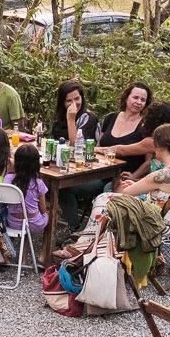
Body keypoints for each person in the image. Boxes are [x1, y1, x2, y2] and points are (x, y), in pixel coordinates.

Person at [52, 80, 106, 228]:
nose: (74, 103)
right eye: (69, 100)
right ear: (62, 102)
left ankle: (74, 231)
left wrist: (71, 119)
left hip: (89, 174)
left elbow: (77, 146)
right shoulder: (59, 120)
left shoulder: (88, 118)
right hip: (64, 169)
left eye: (77, 99)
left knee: (63, 188)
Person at [97, 82, 152, 170]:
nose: (138, 102)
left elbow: (148, 162)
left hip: (124, 179)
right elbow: (99, 147)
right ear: (126, 97)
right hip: (100, 171)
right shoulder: (110, 117)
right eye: (135, 97)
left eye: (143, 100)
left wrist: (133, 177)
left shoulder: (146, 125)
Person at [4, 144, 48, 237]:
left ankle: (20, 247)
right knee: (51, 214)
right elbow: (43, 209)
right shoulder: (38, 182)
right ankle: (44, 249)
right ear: (36, 164)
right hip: (35, 224)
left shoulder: (8, 179)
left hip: (13, 223)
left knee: (25, 223)